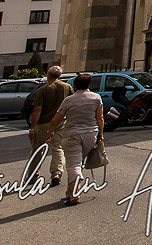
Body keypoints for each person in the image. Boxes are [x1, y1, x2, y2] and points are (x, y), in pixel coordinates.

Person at [45, 73, 104, 205]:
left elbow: (57, 118)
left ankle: (73, 195)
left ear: (75, 85)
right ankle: (71, 191)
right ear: (89, 85)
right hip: (90, 134)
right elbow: (100, 118)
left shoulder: (69, 100)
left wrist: (50, 131)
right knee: (79, 162)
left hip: (72, 134)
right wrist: (100, 135)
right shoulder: (96, 98)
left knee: (73, 164)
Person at [28, 66, 72, 187]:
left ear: (48, 74)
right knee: (57, 148)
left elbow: (37, 110)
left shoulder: (43, 90)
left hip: (43, 123)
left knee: (38, 149)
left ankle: (33, 176)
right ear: (60, 75)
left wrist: (32, 127)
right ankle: (56, 173)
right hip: (60, 122)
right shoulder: (67, 87)